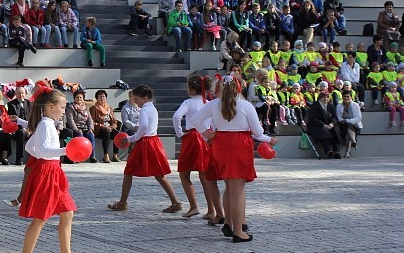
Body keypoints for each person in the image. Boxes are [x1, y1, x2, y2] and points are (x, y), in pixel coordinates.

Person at [191, 75, 277, 243]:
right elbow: (257, 132)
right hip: (239, 145)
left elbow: (195, 120)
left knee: (229, 188)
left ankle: (229, 224)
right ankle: (239, 231)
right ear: (238, 87)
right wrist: (269, 140)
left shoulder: (214, 104)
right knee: (238, 191)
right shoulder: (245, 105)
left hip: (220, 144)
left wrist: (208, 134)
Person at [18, 89, 76, 253]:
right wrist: (67, 150)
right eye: (63, 107)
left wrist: (53, 155)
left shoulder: (47, 124)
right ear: (51, 106)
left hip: (53, 171)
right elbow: (43, 151)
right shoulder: (45, 124)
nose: (64, 111)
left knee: (67, 213)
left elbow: (30, 147)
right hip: (47, 173)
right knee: (41, 218)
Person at [108, 85, 182, 213]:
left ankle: (122, 202)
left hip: (145, 143)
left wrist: (131, 139)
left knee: (129, 171)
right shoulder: (152, 108)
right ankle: (175, 202)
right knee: (159, 175)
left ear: (145, 98)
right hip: (154, 141)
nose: (135, 102)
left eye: (137, 99)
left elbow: (143, 126)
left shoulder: (143, 110)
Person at [172, 75, 214, 219]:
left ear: (190, 88)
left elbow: (177, 116)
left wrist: (180, 133)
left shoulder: (188, 102)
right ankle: (211, 209)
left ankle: (194, 206)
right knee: (205, 175)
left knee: (184, 174)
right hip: (206, 137)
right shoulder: (209, 103)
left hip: (192, 137)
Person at [307, 92, 342, 159]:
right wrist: (323, 125)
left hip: (329, 124)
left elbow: (334, 116)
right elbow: (313, 118)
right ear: (320, 98)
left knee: (335, 130)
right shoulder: (315, 105)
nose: (325, 99)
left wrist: (332, 123)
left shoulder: (330, 106)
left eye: (327, 97)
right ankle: (328, 151)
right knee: (323, 132)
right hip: (316, 125)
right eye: (323, 97)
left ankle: (336, 151)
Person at [65, 90, 96, 163]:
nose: (79, 99)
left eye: (81, 97)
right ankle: (79, 157)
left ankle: (92, 156)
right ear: (74, 98)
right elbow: (70, 120)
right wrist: (76, 129)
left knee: (91, 136)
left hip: (84, 127)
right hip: (75, 128)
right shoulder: (71, 107)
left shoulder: (85, 107)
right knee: (80, 136)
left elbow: (90, 119)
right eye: (77, 97)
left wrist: (91, 128)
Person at [90, 90, 119, 163]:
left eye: (104, 96)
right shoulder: (93, 108)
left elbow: (114, 121)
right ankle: (106, 155)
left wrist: (112, 127)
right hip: (99, 129)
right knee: (106, 133)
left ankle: (115, 155)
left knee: (117, 134)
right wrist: (104, 127)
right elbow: (92, 122)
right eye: (100, 96)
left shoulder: (109, 108)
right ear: (97, 98)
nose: (102, 98)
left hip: (109, 127)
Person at [7, 87, 32, 166]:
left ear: (25, 94)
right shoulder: (11, 104)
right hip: (17, 128)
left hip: (29, 127)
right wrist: (24, 128)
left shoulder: (30, 103)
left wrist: (30, 129)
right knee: (21, 133)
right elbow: (13, 119)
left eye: (22, 93)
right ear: (15, 94)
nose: (21, 95)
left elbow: (32, 118)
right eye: (18, 93)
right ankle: (19, 158)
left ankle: (35, 157)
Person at [336, 93, 362, 158]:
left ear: (351, 97)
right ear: (342, 97)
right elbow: (338, 117)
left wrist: (348, 121)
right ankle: (353, 142)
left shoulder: (355, 105)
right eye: (344, 96)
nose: (346, 98)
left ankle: (348, 151)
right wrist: (344, 121)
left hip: (355, 125)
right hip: (342, 125)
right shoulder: (339, 106)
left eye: (348, 96)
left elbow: (359, 117)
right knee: (347, 126)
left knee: (348, 127)